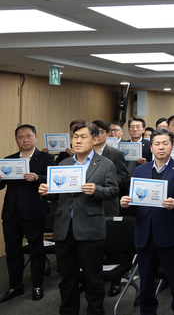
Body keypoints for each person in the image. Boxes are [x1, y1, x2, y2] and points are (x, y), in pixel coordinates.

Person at [38, 121, 119, 315]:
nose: (78, 140)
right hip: (64, 229)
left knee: (93, 278)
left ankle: (95, 311)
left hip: (90, 229)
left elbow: (114, 190)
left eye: (83, 137)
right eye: (75, 137)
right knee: (67, 279)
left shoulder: (105, 164)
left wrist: (96, 190)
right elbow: (56, 193)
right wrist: (45, 192)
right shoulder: (63, 163)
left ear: (95, 139)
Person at [120, 129, 174, 315]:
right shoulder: (140, 170)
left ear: (172, 146)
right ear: (151, 147)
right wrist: (126, 203)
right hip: (145, 233)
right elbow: (136, 201)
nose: (161, 147)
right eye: (157, 144)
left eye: (165, 143)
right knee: (145, 281)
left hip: (170, 233)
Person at [0, 125, 55, 303]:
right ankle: (15, 286)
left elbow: (53, 180)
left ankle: (37, 285)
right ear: (16, 140)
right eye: (21, 137)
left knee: (36, 251)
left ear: (36, 137)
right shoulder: (8, 160)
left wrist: (37, 178)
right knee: (12, 251)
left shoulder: (46, 158)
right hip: (11, 212)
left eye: (28, 136)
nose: (25, 140)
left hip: (33, 211)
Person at [91, 120, 130, 214]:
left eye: (100, 132)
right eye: (93, 132)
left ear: (108, 134)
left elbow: (123, 175)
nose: (96, 135)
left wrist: (106, 184)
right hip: (87, 202)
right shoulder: (83, 153)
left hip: (108, 201)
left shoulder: (116, 153)